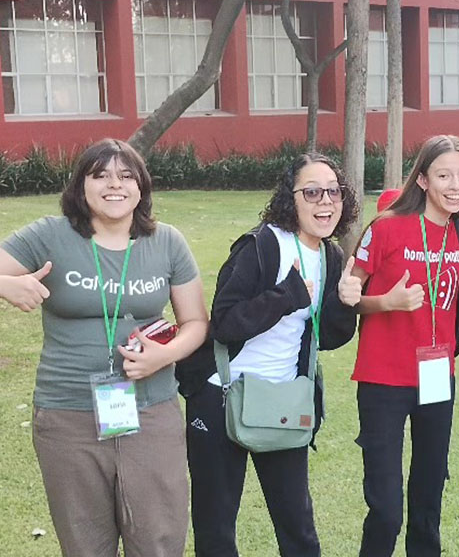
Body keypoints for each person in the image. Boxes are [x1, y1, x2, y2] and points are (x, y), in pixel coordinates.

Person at [0, 139, 208, 556]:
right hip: (68, 415)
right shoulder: (50, 236)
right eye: (101, 175)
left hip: (151, 413)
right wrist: (7, 284)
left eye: (126, 175)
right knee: (84, 543)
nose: (115, 185)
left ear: (141, 187)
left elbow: (196, 322)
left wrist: (164, 355)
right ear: (81, 186)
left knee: (158, 538)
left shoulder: (167, 242)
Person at [179, 153, 360, 557]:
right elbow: (224, 323)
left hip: (280, 402)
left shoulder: (329, 257)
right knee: (216, 528)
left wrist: (344, 305)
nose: (325, 202)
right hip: (221, 396)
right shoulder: (260, 246)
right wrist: (287, 294)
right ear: (290, 198)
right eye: (311, 192)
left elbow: (325, 338)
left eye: (334, 192)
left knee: (298, 528)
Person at [348, 134, 459, 557]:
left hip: (436, 377)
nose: (456, 185)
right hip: (382, 380)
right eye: (444, 175)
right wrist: (386, 302)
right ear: (423, 180)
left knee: (428, 496)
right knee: (386, 507)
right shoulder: (386, 227)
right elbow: (348, 297)